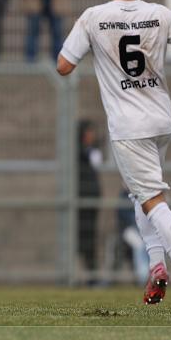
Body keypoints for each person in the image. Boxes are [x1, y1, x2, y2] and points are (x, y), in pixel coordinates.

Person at [57, 0, 171, 320]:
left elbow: (63, 66)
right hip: (162, 121)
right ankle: (156, 266)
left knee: (151, 201)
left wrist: (97, 53)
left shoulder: (94, 17)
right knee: (141, 193)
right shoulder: (159, 14)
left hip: (130, 127)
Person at [77, 120, 102, 283]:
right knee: (80, 236)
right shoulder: (78, 152)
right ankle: (78, 274)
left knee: (90, 237)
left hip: (90, 201)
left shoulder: (90, 151)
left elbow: (97, 162)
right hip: (80, 198)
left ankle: (91, 275)